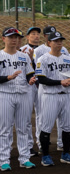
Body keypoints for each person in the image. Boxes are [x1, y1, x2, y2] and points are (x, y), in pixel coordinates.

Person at [35, 31, 70, 166]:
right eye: (56, 41)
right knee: (46, 127)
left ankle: (65, 154)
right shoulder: (43, 59)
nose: (59, 43)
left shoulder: (67, 59)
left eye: (60, 41)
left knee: (68, 127)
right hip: (50, 96)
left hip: (66, 96)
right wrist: (60, 82)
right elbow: (41, 79)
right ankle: (45, 156)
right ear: (49, 43)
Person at [0, 27, 37, 171]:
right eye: (11, 37)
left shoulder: (24, 56)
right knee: (5, 129)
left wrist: (30, 80)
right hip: (5, 94)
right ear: (3, 39)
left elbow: (29, 73)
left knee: (23, 127)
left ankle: (25, 158)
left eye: (16, 37)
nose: (14, 40)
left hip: (23, 94)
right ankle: (4, 160)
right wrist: (8, 77)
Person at [20, 26, 42, 157]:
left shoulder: (44, 49)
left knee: (41, 114)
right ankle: (28, 145)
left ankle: (41, 142)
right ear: (27, 36)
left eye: (37, 33)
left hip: (41, 84)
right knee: (26, 116)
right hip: (28, 84)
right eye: (33, 33)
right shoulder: (22, 50)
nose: (36, 36)